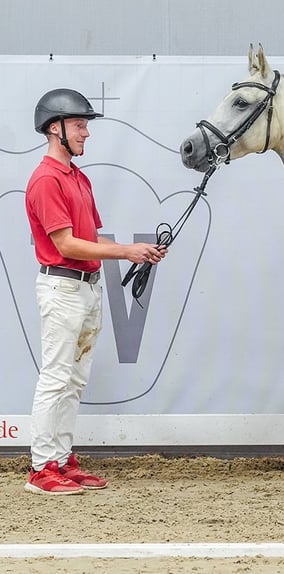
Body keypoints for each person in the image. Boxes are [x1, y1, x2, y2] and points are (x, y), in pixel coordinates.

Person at [24, 88, 167, 495]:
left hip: (85, 287)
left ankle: (61, 458)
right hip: (63, 285)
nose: (87, 132)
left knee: (73, 380)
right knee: (56, 377)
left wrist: (139, 253)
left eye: (85, 125)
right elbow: (67, 244)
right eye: (80, 124)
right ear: (56, 129)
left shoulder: (77, 177)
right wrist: (126, 251)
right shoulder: (48, 179)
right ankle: (40, 467)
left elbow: (87, 236)